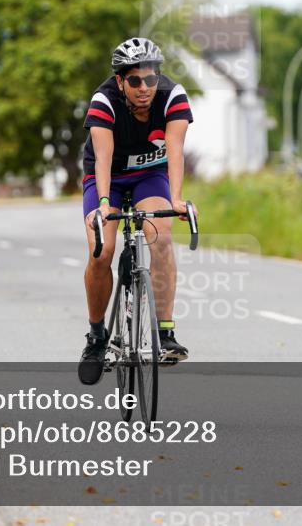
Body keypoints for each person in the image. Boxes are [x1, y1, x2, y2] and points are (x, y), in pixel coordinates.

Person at [78, 37, 195, 386]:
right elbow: (101, 158)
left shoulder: (173, 97)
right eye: (134, 81)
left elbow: (175, 149)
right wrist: (101, 205)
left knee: (159, 237)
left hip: (149, 176)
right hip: (108, 179)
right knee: (103, 251)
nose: (144, 88)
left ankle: (166, 331)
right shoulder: (104, 101)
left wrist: (175, 200)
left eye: (151, 79)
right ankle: (97, 337)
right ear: (120, 81)